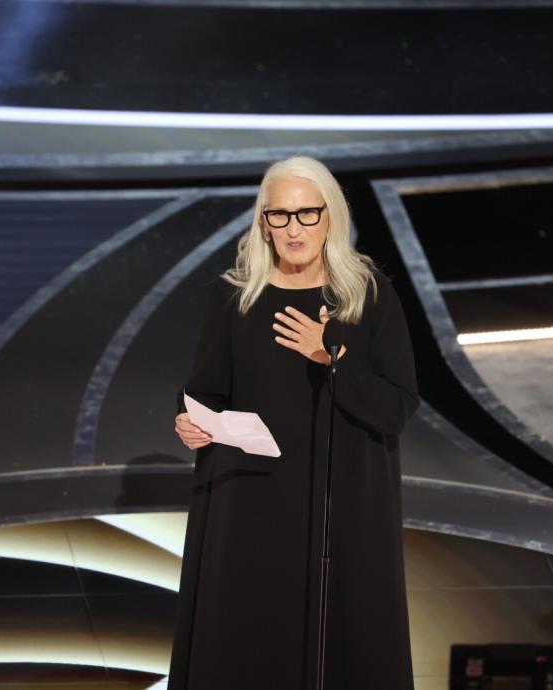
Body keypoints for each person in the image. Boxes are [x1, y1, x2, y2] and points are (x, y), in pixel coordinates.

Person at [167, 156, 418, 690]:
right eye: (279, 216)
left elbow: (396, 407)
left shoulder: (367, 295)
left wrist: (330, 355)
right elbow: (206, 390)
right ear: (263, 222)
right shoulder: (236, 295)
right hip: (250, 500)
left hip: (341, 506)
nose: (293, 229)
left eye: (307, 214)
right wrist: (193, 423)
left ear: (330, 217)